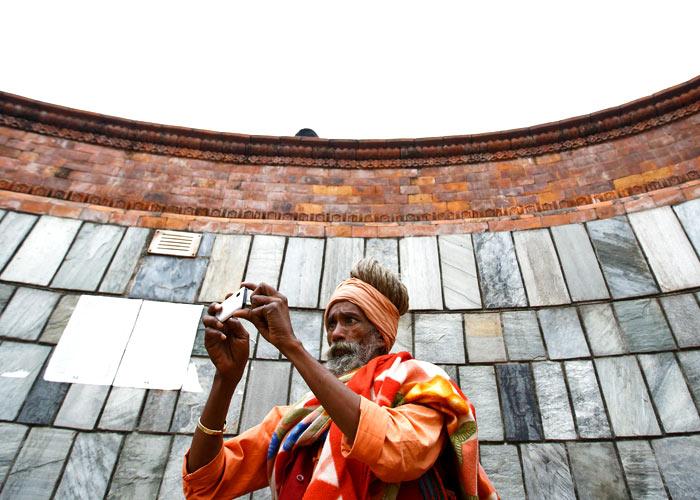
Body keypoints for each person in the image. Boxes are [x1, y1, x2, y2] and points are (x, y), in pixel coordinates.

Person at [182, 257, 498, 499]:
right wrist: (226, 380)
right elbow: (205, 483)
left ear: (380, 335)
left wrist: (291, 346)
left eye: (350, 320)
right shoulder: (298, 421)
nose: (336, 333)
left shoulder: (420, 384)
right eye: (331, 323)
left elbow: (400, 452)